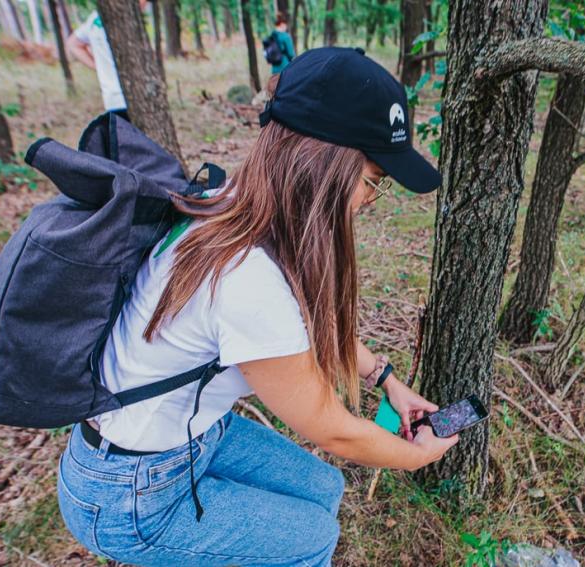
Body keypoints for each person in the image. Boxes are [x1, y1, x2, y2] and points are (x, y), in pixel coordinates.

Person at [56, 46, 457, 567]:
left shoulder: (235, 198)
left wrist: (387, 381)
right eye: (372, 181)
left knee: (324, 488)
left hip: (190, 434)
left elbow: (313, 319)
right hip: (128, 492)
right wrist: (415, 456)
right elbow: (331, 426)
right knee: (312, 537)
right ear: (325, 167)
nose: (367, 201)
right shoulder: (248, 282)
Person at [66, 0, 149, 117]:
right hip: (135, 97)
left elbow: (73, 43)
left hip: (112, 100)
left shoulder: (95, 19)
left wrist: (98, 67)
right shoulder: (126, 18)